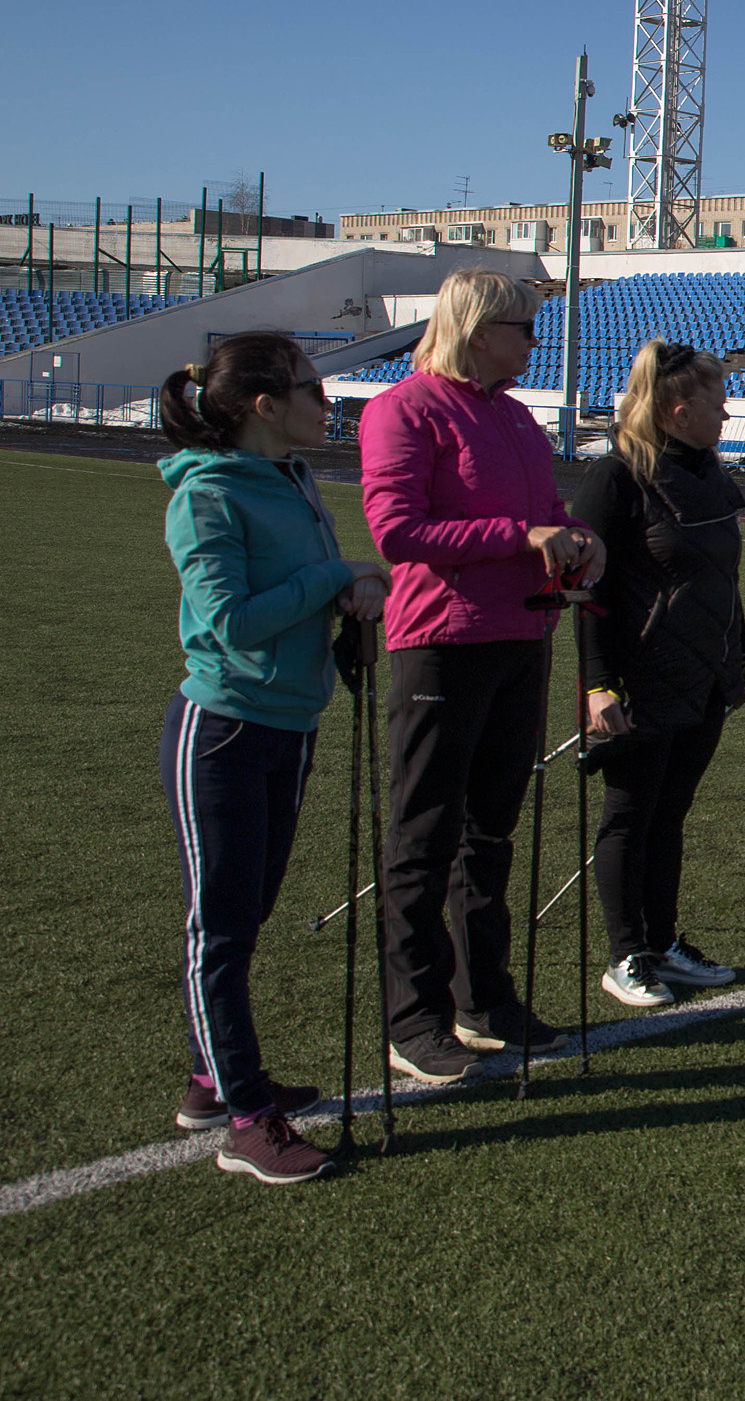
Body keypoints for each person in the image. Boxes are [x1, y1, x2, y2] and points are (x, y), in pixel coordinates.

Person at [361, 268, 601, 1084]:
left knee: (491, 831)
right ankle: (413, 1016)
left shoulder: (515, 417)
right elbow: (398, 531)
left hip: (521, 633)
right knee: (424, 833)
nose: (534, 343)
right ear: (478, 329)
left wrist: (576, 540)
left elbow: (550, 514)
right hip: (442, 640)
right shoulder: (404, 408)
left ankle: (484, 999)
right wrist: (521, 535)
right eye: (522, 328)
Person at [158, 334, 387, 1183]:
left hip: (291, 723)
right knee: (219, 929)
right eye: (311, 389)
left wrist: (349, 606)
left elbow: (310, 588)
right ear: (263, 404)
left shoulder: (293, 479)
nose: (325, 403)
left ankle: (210, 1080)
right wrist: (336, 581)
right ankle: (249, 1116)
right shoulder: (206, 494)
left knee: (243, 919)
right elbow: (230, 620)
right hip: (221, 729)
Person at [569, 339, 745, 1008]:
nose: (727, 411)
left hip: (704, 677)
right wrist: (599, 682)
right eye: (717, 403)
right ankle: (625, 953)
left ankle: (661, 940)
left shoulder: (711, 472)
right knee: (630, 813)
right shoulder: (617, 477)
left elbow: (722, 579)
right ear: (679, 411)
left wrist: (741, 656)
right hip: (640, 679)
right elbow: (587, 591)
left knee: (671, 814)